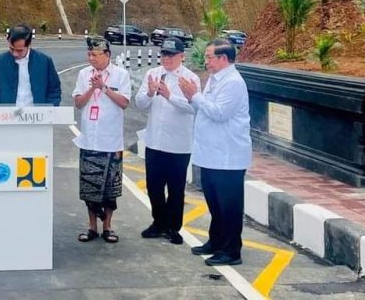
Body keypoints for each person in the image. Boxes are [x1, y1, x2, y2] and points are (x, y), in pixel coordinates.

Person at [180, 38, 251, 266]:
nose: (206, 61)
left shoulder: (233, 82)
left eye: (210, 57)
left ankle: (231, 251)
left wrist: (195, 95)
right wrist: (191, 97)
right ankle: (216, 241)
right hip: (211, 153)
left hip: (227, 156)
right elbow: (202, 108)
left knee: (229, 206)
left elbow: (220, 113)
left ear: (223, 58)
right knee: (214, 203)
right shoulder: (214, 78)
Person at [135, 37, 197, 245]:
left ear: (182, 56)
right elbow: (140, 103)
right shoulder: (152, 74)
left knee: (176, 189)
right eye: (164, 54)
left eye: (171, 55)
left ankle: (173, 227)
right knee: (154, 186)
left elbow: (194, 108)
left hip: (179, 144)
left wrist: (170, 96)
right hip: (154, 141)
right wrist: (151, 93)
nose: (167, 59)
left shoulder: (190, 78)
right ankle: (158, 222)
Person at [72, 36, 131, 244]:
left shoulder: (121, 75)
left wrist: (104, 88)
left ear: (107, 55)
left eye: (96, 55)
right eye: (89, 54)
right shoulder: (83, 74)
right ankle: (92, 227)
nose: (92, 58)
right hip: (89, 139)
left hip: (111, 140)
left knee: (109, 188)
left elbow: (124, 103)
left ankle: (108, 226)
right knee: (89, 186)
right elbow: (78, 102)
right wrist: (92, 88)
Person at [0, 24, 61, 106]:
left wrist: (48, 109)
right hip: (8, 116)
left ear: (29, 44)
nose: (15, 54)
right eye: (11, 49)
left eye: (19, 50)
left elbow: (54, 90)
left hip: (37, 116)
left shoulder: (44, 61)